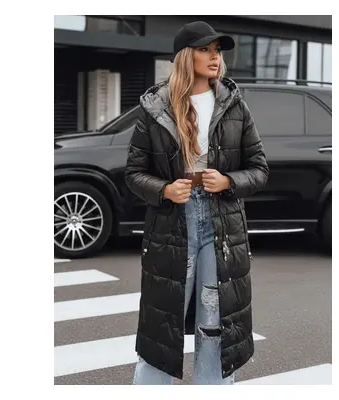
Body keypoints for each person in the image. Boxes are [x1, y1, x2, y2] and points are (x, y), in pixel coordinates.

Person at [124, 21, 269, 385]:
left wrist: (229, 181)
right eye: (205, 49)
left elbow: (259, 169)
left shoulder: (235, 105)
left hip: (222, 225)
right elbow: (134, 173)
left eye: (217, 50)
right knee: (162, 326)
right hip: (173, 222)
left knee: (215, 325)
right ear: (186, 56)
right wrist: (164, 190)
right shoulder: (156, 107)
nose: (214, 57)